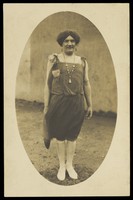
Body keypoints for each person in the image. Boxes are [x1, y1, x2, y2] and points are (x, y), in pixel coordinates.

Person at [43, 30, 92, 181]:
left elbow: (86, 83)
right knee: (59, 136)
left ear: (76, 44)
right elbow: (47, 84)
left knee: (72, 136)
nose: (69, 43)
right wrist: (46, 106)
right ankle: (61, 166)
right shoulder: (54, 59)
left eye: (72, 41)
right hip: (58, 102)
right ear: (61, 43)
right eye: (66, 41)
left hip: (76, 103)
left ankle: (69, 165)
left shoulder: (82, 61)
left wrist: (89, 104)